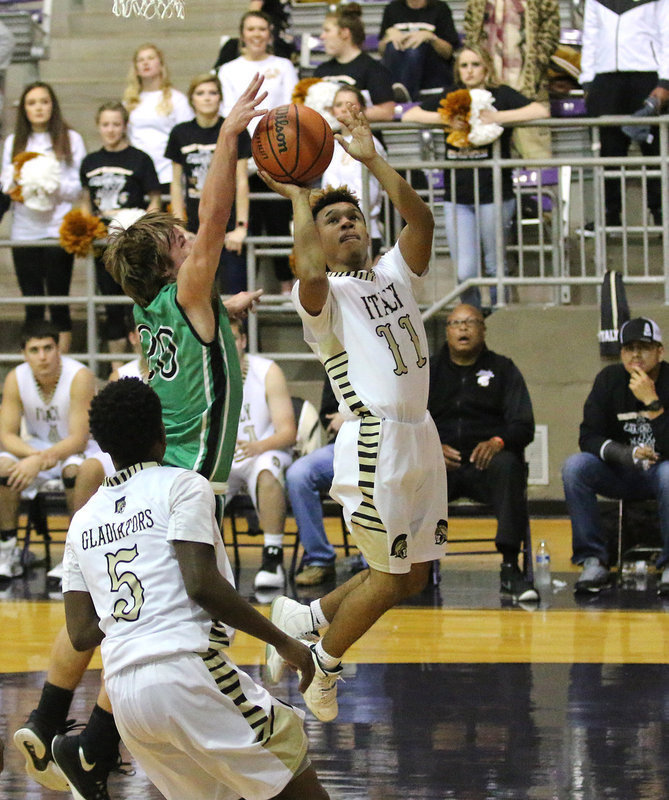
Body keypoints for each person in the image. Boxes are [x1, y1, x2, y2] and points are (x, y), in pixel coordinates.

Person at [14, 76, 267, 798]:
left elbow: (196, 323)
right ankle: (93, 742)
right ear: (168, 265)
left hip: (155, 475)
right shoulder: (186, 288)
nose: (193, 245)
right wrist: (226, 139)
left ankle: (86, 742)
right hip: (187, 478)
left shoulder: (154, 308)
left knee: (150, 620)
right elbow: (215, 217)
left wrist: (229, 302)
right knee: (186, 627)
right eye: (180, 245)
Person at [259, 103, 448, 722]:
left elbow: (419, 218)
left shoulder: (393, 272)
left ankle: (306, 617)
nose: (346, 225)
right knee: (387, 577)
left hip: (421, 435)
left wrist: (373, 159)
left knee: (415, 575)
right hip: (375, 443)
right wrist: (300, 198)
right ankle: (322, 664)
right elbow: (307, 266)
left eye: (352, 217)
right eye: (332, 221)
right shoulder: (321, 298)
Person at [53, 377, 329, 800]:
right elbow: (201, 584)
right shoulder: (181, 484)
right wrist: (283, 642)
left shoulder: (83, 520)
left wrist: (136, 611)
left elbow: (80, 632)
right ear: (162, 433)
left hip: (126, 697)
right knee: (299, 779)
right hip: (189, 672)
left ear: (102, 447)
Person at [402, 46, 549, 309]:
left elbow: (541, 110)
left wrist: (496, 117)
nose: (469, 71)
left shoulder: (500, 94)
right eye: (464, 65)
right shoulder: (452, 96)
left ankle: (497, 317)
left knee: (495, 266)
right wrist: (446, 118)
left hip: (495, 193)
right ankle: (473, 316)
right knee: (465, 272)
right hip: (457, 197)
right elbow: (409, 114)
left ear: (486, 68)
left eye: (475, 65)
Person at [428, 303, 538, 601]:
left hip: (486, 466)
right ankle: (418, 566)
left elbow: (524, 425)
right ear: (447, 331)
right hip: (441, 467)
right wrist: (430, 448)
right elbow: (405, 423)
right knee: (411, 467)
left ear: (483, 329)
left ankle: (509, 566)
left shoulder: (504, 369)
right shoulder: (427, 370)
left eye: (471, 322)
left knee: (509, 465)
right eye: (456, 323)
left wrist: (499, 441)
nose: (463, 328)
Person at [562, 317, 669, 595]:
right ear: (620, 353)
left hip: (660, 472)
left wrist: (652, 403)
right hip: (620, 471)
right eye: (628, 348)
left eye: (644, 347)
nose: (635, 354)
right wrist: (626, 453)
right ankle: (593, 559)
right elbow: (588, 436)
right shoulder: (608, 380)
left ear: (660, 351)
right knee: (575, 467)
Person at [0, 321, 97, 582]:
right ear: (24, 354)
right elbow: (6, 435)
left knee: (73, 471)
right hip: (38, 447)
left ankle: (74, 556)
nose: (42, 356)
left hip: (81, 449)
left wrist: (38, 461)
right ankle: (7, 550)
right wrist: (35, 457)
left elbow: (79, 438)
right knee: (3, 468)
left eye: (48, 348)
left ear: (59, 349)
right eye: (34, 350)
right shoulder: (15, 378)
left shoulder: (80, 376)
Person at [1, 81, 86, 353]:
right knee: (33, 302)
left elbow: (78, 187)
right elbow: (5, 183)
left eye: (44, 101)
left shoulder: (71, 138)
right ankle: (34, 365)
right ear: (24, 109)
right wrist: (23, 181)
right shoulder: (14, 142)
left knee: (59, 300)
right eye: (32, 103)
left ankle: (64, 363)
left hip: (58, 229)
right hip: (24, 230)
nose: (39, 108)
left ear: (53, 105)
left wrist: (50, 183)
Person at [219, 10, 298, 295]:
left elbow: (290, 108)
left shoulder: (284, 65)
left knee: (279, 224)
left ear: (270, 33)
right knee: (244, 225)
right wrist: (246, 150)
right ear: (242, 34)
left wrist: (271, 149)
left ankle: (288, 288)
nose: (256, 34)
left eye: (262, 29)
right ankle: (243, 292)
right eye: (251, 29)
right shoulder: (228, 69)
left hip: (278, 153)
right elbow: (228, 112)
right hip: (242, 156)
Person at [80, 101, 161, 371]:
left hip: (132, 246)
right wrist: (88, 229)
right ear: (98, 126)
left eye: (116, 124)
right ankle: (116, 369)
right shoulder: (90, 162)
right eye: (105, 124)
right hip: (103, 247)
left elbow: (155, 201)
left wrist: (141, 231)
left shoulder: (140, 159)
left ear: (125, 126)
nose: (111, 130)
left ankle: (146, 364)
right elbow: (85, 202)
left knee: (138, 302)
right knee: (110, 307)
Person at [579, 0, 668, 231]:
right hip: (605, 80)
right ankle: (610, 215)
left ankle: (661, 216)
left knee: (655, 151)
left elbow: (666, 33)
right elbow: (590, 37)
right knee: (609, 152)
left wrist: (665, 81)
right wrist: (588, 81)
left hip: (647, 76)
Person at [226, 318, 297, 592]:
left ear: (243, 341)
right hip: (226, 459)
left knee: (266, 470)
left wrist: (257, 447)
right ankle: (208, 562)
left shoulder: (267, 371)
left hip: (265, 451)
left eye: (233, 338)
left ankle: (272, 558)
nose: (229, 345)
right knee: (197, 484)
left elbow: (288, 432)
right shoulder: (204, 374)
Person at [167, 73, 251, 295]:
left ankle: (239, 331)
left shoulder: (234, 129)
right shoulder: (180, 133)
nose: (207, 98)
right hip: (194, 226)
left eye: (212, 93)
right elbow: (176, 184)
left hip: (228, 225)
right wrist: (179, 227)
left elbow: (241, 180)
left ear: (220, 98)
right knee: (194, 293)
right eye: (200, 93)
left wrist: (241, 227)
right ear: (191, 99)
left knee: (234, 292)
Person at [464, 0, 560, 158]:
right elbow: (471, 39)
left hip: (528, 91)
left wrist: (535, 67)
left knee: (538, 161)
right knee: (488, 164)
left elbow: (550, 36)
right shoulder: (476, 2)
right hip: (488, 95)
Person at [286, 377, 341, 586]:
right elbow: (328, 415)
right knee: (298, 474)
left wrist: (352, 415)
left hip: (383, 444)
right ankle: (319, 558)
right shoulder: (338, 357)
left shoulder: (386, 356)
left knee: (381, 472)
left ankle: (378, 560)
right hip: (344, 445)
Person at [321, 85, 387, 259]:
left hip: (363, 231)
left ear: (362, 109)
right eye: (338, 104)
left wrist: (355, 220)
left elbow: (371, 191)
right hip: (333, 233)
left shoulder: (371, 144)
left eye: (349, 103)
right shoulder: (330, 144)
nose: (343, 108)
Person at [123, 43, 192, 195]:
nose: (145, 63)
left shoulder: (177, 100)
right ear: (135, 68)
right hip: (137, 173)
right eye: (141, 60)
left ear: (161, 65)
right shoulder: (128, 103)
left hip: (168, 172)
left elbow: (186, 138)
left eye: (150, 58)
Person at [314, 3, 395, 122]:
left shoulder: (373, 69)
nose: (322, 36)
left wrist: (341, 114)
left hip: (360, 137)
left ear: (345, 33)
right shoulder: (321, 70)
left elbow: (387, 112)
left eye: (327, 30)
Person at [379, 0, 460, 103]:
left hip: (432, 71)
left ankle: (404, 96)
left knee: (415, 50)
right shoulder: (392, 8)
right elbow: (382, 52)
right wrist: (388, 37)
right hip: (397, 65)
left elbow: (448, 52)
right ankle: (397, 93)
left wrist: (431, 37)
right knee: (392, 47)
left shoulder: (440, 8)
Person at [212, 0, 296, 69]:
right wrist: (256, 31)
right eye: (250, 29)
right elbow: (253, 15)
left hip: (282, 43)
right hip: (272, 43)